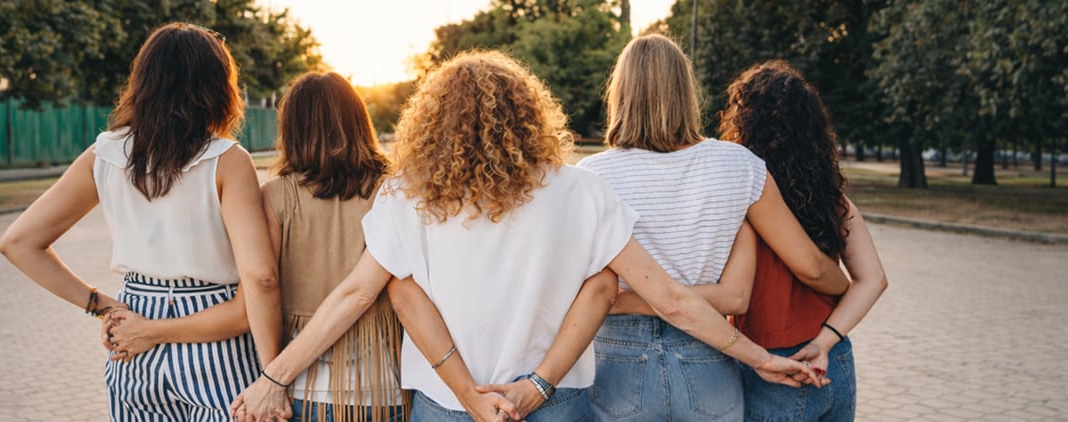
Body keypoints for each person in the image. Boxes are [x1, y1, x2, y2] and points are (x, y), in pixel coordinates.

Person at [233, 50, 820, 422]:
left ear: (432, 120)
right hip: (555, 400)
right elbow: (669, 298)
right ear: (530, 113)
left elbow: (367, 294)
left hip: (446, 403)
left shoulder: (407, 192)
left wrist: (273, 378)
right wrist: (758, 358)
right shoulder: (580, 191)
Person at [0, 23, 281, 421]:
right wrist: (274, 375)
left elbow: (18, 242)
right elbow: (262, 278)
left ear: (143, 82)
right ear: (217, 87)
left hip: (132, 334)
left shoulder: (105, 154)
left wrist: (102, 307)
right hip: (216, 336)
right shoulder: (227, 159)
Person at [577, 34, 849, 421]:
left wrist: (632, 300)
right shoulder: (739, 166)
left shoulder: (590, 176)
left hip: (619, 361)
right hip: (707, 353)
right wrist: (845, 287)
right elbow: (795, 268)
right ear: (685, 90)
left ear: (620, 92)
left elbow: (582, 293)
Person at [720, 60, 888, 421]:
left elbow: (811, 270)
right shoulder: (833, 198)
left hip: (777, 366)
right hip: (833, 359)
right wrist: (825, 341)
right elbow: (874, 279)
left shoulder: (744, 199)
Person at [236, 71, 406, 422]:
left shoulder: (274, 196)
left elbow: (265, 286)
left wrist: (272, 377)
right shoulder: (393, 192)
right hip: (385, 386)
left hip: (303, 387)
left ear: (291, 129)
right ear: (359, 122)